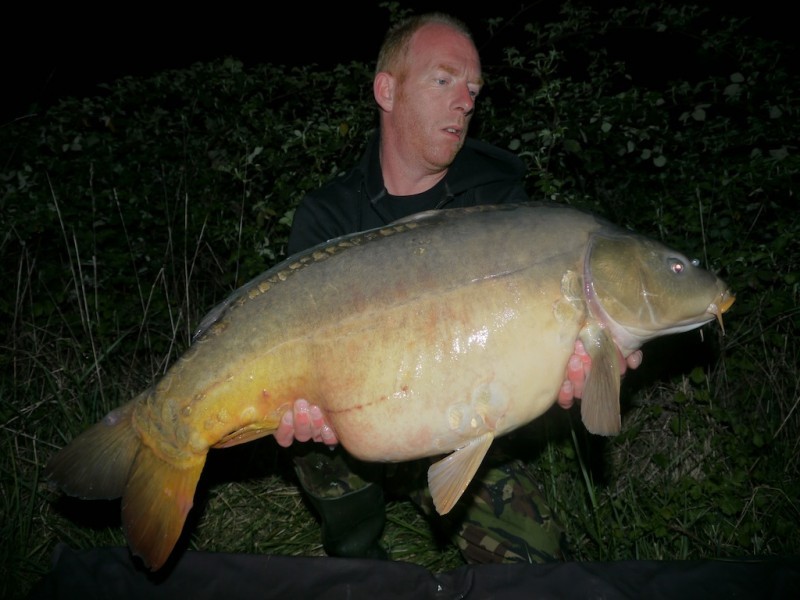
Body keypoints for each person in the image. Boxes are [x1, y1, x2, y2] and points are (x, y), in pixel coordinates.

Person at [275, 12, 642, 564]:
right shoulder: (329, 213)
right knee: (307, 435)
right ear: (387, 90)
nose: (465, 101)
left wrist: (586, 366)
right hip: (360, 423)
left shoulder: (500, 204)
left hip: (464, 426)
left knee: (535, 563)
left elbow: (551, 339)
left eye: (472, 89)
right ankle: (354, 554)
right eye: (444, 80)